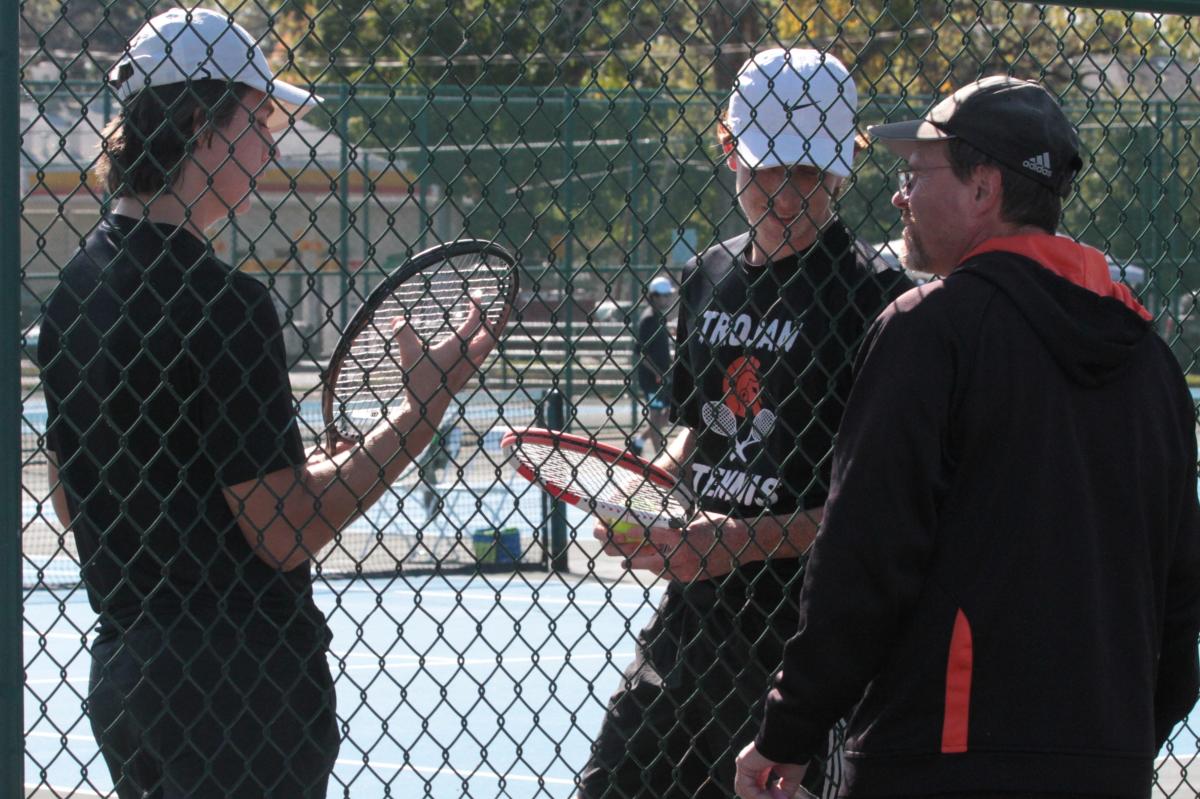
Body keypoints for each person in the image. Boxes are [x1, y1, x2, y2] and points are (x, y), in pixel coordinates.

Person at [37, 9, 497, 798]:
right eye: (257, 120)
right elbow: (286, 531)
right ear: (197, 125)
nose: (273, 145)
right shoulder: (226, 304)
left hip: (127, 675)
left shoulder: (72, 294)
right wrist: (421, 408)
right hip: (241, 692)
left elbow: (77, 498)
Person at [735, 76, 1200, 799]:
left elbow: (864, 556)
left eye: (917, 174)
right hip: (1108, 763)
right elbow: (1180, 602)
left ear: (983, 189)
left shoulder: (930, 331)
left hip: (940, 759)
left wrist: (789, 731)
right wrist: (1120, 740)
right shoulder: (1151, 360)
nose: (900, 195)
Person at [577, 48, 913, 798]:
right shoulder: (707, 276)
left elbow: (878, 509)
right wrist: (646, 494)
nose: (788, 193)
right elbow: (696, 428)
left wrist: (739, 542)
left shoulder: (878, 301)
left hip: (803, 643)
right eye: (769, 167)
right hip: (688, 624)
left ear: (844, 168)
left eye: (809, 173)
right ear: (729, 148)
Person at [631, 275, 676, 457]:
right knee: (656, 417)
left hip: (663, 377)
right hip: (652, 379)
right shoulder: (649, 319)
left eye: (668, 295)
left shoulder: (659, 317)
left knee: (667, 416)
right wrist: (659, 373)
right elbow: (641, 353)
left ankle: (638, 442)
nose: (667, 298)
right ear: (654, 296)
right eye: (663, 295)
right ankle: (659, 460)